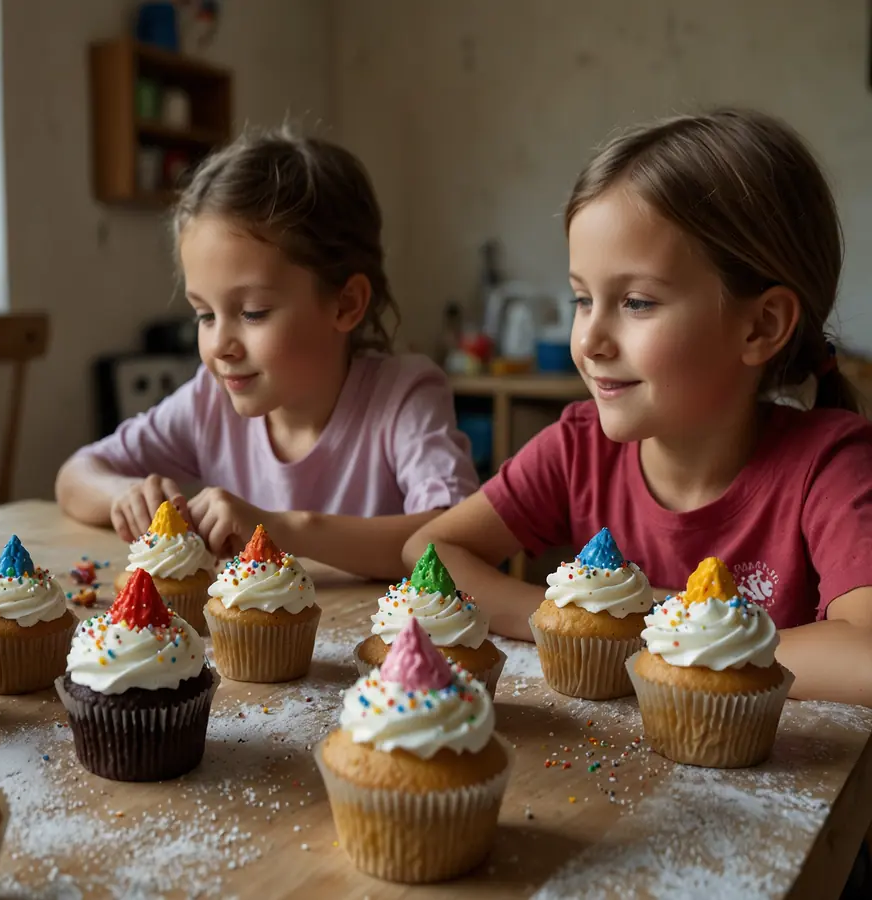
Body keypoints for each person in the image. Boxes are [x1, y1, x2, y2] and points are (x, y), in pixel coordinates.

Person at [406, 109, 872, 706]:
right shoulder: (579, 450)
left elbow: (863, 653)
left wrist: (672, 634)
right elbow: (429, 550)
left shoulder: (830, 466)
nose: (589, 342)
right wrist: (570, 621)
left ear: (761, 326)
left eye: (635, 302)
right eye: (581, 299)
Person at [58, 128, 479, 579]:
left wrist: (286, 529)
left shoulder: (402, 396)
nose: (219, 344)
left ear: (345, 304)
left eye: (253, 312)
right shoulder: (210, 401)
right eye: (204, 315)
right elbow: (76, 475)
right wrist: (125, 495)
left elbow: (458, 539)